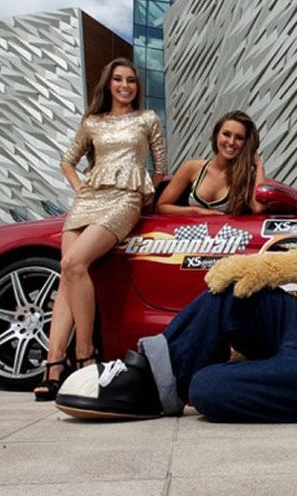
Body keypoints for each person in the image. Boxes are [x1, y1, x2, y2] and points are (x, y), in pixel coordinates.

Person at [34, 57, 168, 401]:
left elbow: (160, 166)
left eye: (132, 81)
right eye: (119, 79)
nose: (126, 86)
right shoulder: (92, 122)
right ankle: (53, 364)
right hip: (88, 199)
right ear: (109, 84)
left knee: (73, 263)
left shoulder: (147, 119)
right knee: (67, 275)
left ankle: (86, 353)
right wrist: (79, 187)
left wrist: (145, 193)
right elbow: (67, 159)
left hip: (124, 199)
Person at [156, 110, 266, 216]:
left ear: (245, 143)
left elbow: (258, 208)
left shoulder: (247, 177)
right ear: (216, 135)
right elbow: (161, 206)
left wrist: (259, 166)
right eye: (226, 134)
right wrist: (196, 212)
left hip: (226, 229)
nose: (231, 142)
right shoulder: (191, 168)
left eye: (239, 138)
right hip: (193, 228)